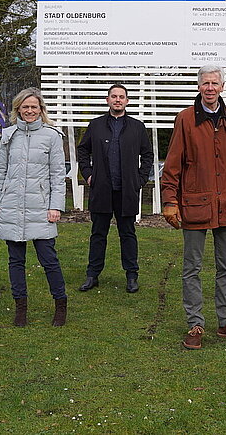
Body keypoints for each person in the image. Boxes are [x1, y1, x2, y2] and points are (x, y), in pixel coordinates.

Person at [161, 64, 226, 350]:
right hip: (194, 205)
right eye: (205, 83)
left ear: (222, 87)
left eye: (215, 83)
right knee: (192, 267)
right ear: (199, 87)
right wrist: (169, 201)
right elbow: (173, 163)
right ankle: (195, 324)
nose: (210, 88)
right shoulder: (186, 119)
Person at [0, 88, 68, 327]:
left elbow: (58, 175)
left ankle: (60, 305)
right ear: (18, 110)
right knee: (16, 261)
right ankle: (20, 308)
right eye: (25, 107)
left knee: (49, 259)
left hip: (41, 207)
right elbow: (1, 172)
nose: (29, 111)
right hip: (12, 205)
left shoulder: (52, 136)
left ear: (41, 110)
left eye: (34, 107)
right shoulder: (9, 135)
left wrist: (55, 206)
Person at [76, 84, 153, 293]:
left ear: (127, 101)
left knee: (127, 233)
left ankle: (131, 276)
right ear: (107, 99)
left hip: (126, 190)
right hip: (101, 189)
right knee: (98, 233)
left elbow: (147, 155)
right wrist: (89, 174)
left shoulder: (137, 127)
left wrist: (140, 179)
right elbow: (83, 151)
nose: (117, 100)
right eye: (114, 96)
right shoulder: (96, 125)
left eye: (121, 97)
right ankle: (92, 275)